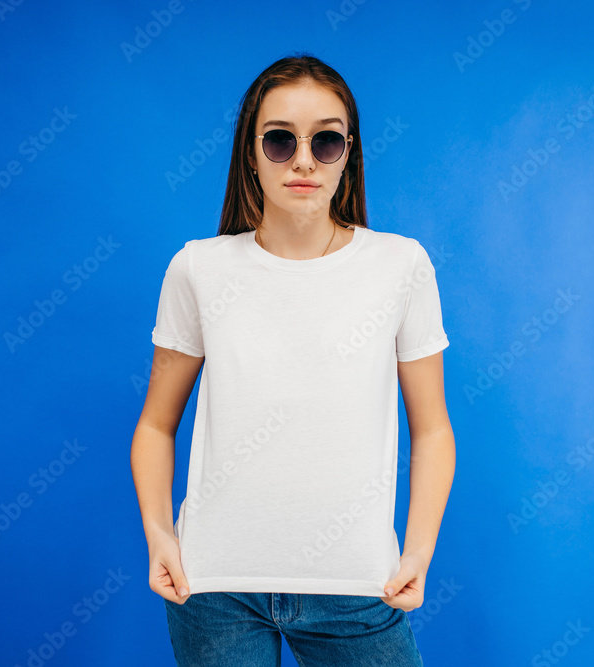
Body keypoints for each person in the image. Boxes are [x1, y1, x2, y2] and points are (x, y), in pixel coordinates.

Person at [131, 52, 456, 666]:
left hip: (358, 585)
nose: (303, 160)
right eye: (280, 140)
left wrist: (417, 550)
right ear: (251, 153)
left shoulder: (401, 266)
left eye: (325, 141)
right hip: (214, 586)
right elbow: (154, 425)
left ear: (349, 151)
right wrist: (159, 535)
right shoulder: (199, 268)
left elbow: (433, 428)